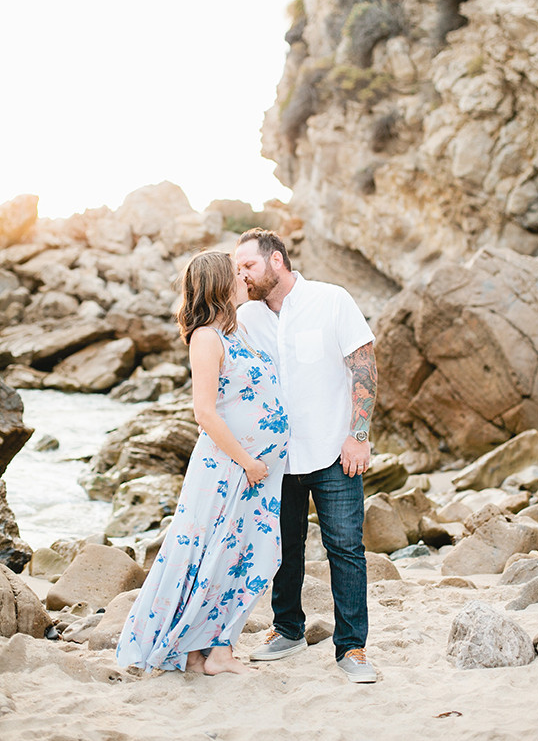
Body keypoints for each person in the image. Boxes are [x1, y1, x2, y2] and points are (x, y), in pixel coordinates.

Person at [116, 251, 288, 676]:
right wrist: (248, 461)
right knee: (215, 555)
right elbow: (204, 412)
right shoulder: (207, 338)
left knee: (246, 557)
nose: (244, 277)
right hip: (231, 469)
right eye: (236, 273)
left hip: (257, 471)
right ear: (218, 284)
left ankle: (207, 653)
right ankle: (205, 653)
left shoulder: (237, 331)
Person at [235, 229, 378, 684]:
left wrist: (359, 434)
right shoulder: (246, 317)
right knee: (282, 549)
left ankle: (352, 648)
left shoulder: (331, 300)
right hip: (275, 458)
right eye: (238, 269)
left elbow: (364, 364)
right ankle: (288, 630)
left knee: (346, 549)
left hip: (334, 451)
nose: (243, 275)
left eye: (249, 266)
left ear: (277, 261)